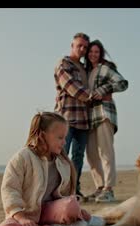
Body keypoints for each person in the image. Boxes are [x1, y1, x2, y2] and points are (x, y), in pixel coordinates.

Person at [0, 112, 104, 226]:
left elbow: (65, 197)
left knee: (72, 205)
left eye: (65, 138)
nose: (64, 142)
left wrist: (77, 211)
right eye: (60, 138)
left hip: (50, 212)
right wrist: (21, 218)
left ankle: (81, 222)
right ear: (42, 136)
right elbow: (9, 190)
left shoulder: (63, 163)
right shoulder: (22, 157)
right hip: (25, 214)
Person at [84, 40, 129, 203]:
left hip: (104, 113)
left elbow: (122, 83)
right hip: (90, 117)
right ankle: (100, 187)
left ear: (100, 53)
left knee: (106, 151)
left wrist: (103, 90)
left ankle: (109, 189)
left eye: (96, 52)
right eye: (90, 52)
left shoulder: (106, 68)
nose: (93, 54)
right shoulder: (86, 71)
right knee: (91, 154)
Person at [54, 32, 91, 200]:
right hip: (66, 118)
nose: (82, 49)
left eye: (85, 47)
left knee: (78, 157)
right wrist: (93, 96)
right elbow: (71, 87)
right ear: (72, 45)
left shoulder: (84, 68)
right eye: (79, 46)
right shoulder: (64, 63)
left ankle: (74, 189)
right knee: (61, 155)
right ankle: (57, 190)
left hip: (84, 120)